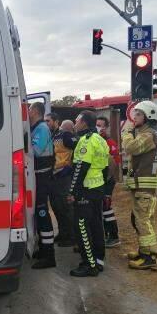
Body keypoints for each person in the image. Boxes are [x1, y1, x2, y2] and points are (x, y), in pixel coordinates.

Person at [121, 101, 157, 270]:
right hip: (143, 185)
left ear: (148, 116)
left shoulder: (149, 135)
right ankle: (145, 251)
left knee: (143, 220)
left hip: (145, 186)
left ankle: (149, 257)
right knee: (141, 219)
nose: (134, 117)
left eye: (138, 114)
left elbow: (131, 147)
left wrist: (126, 133)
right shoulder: (150, 133)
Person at [67, 110, 109, 277]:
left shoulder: (85, 141)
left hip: (85, 190)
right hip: (97, 188)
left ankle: (89, 265)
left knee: (82, 228)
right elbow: (105, 168)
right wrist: (103, 189)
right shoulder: (100, 139)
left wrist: (72, 191)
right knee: (97, 226)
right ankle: (98, 261)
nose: (75, 124)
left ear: (84, 123)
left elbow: (80, 168)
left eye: (76, 121)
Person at [29, 103, 56, 269]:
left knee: (42, 212)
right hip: (37, 176)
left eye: (30, 109)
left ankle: (49, 255)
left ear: (36, 111)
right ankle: (44, 249)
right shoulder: (36, 128)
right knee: (39, 214)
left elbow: (36, 151)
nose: (28, 112)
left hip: (43, 176)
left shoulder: (42, 129)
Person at [46, 113, 78, 247]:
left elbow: (78, 150)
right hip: (54, 176)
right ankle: (62, 233)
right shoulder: (51, 136)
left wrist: (70, 166)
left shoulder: (65, 135)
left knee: (66, 207)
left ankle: (72, 237)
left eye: (48, 121)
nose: (46, 123)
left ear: (56, 121)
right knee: (56, 207)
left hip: (64, 176)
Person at [96, 116, 121, 248]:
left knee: (106, 207)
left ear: (105, 127)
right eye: (96, 124)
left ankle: (113, 236)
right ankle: (105, 233)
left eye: (100, 125)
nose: (98, 127)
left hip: (107, 180)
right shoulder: (96, 140)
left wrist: (106, 180)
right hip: (98, 179)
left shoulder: (109, 142)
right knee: (100, 208)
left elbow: (114, 163)